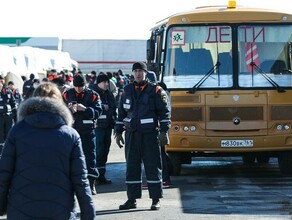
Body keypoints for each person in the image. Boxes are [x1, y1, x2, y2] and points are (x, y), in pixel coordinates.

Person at [0, 82, 96, 219]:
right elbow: (80, 180)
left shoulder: (17, 131)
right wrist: (88, 214)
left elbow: (4, 174)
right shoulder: (70, 135)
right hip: (60, 210)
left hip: (21, 209)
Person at [115, 62, 171, 211]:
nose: (138, 73)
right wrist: (118, 131)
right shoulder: (127, 90)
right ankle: (131, 199)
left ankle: (155, 199)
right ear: (133, 73)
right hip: (132, 135)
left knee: (153, 166)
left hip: (150, 135)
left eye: (141, 71)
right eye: (136, 71)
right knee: (132, 167)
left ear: (146, 73)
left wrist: (164, 131)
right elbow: (121, 113)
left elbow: (164, 113)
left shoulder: (156, 90)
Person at [63, 74, 102, 195]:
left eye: (80, 86)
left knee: (90, 158)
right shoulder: (67, 94)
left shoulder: (93, 95)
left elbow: (98, 112)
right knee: (70, 158)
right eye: (76, 86)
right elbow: (60, 109)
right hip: (71, 132)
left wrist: (85, 109)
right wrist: (69, 109)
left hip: (87, 131)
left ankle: (91, 184)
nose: (78, 89)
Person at [92, 73, 117, 185]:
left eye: (107, 82)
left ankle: (101, 175)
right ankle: (94, 176)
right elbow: (90, 107)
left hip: (107, 126)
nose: (107, 84)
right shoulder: (92, 94)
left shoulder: (109, 94)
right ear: (98, 83)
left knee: (105, 152)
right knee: (98, 151)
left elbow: (113, 107)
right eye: (104, 82)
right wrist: (103, 106)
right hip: (98, 127)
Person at [0, 76, 16, 148]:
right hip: (0, 116)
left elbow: (13, 102)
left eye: (2, 80)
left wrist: (13, 113)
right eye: (0, 81)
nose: (1, 82)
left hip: (8, 116)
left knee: (9, 133)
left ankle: (8, 148)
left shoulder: (8, 90)